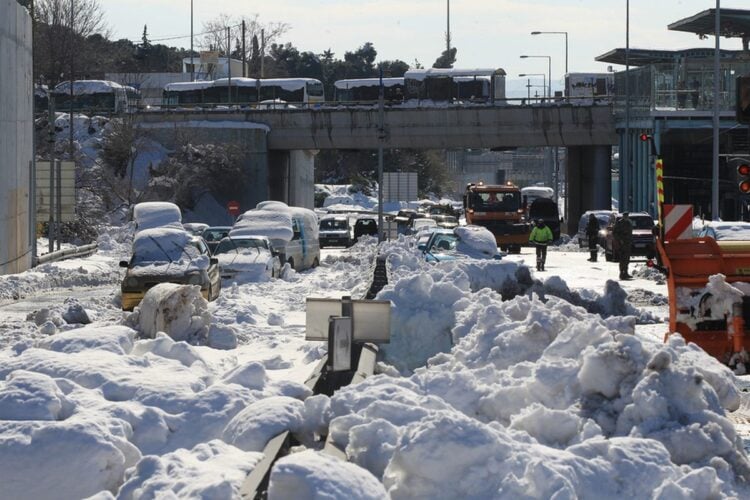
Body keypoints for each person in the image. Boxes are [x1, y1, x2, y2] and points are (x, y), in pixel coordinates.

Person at [613, 212, 633, 280]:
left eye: (627, 216)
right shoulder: (619, 223)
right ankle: (622, 273)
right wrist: (620, 240)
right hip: (622, 243)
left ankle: (626, 272)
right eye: (625, 216)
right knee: (622, 259)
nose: (626, 217)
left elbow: (630, 232)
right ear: (623, 216)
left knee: (627, 259)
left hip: (628, 243)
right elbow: (615, 233)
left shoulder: (629, 223)